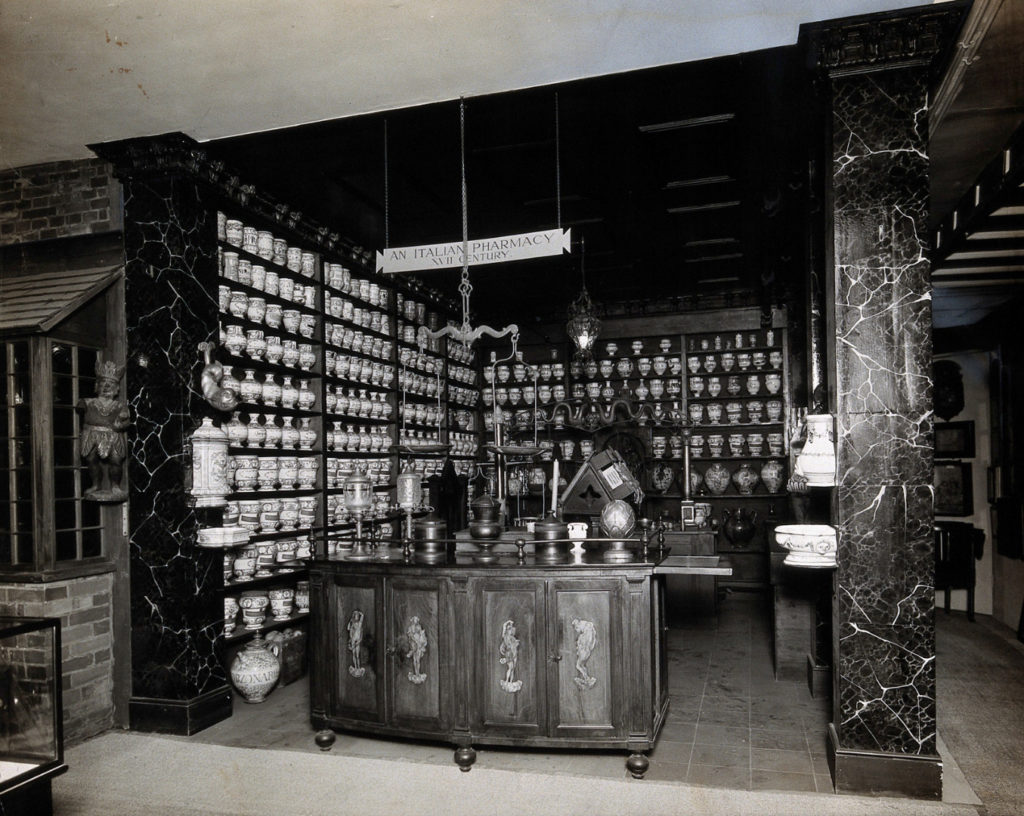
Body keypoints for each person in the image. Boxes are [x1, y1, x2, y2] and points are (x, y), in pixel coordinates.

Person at [78, 358, 130, 502]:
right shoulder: (87, 402)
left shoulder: (119, 405)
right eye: (103, 383)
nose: (106, 386)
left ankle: (115, 486)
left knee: (116, 461)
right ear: (97, 385)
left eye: (111, 384)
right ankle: (96, 485)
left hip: (113, 435)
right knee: (91, 460)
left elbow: (127, 422)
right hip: (91, 434)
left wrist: (121, 425)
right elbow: (80, 409)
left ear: (116, 388)